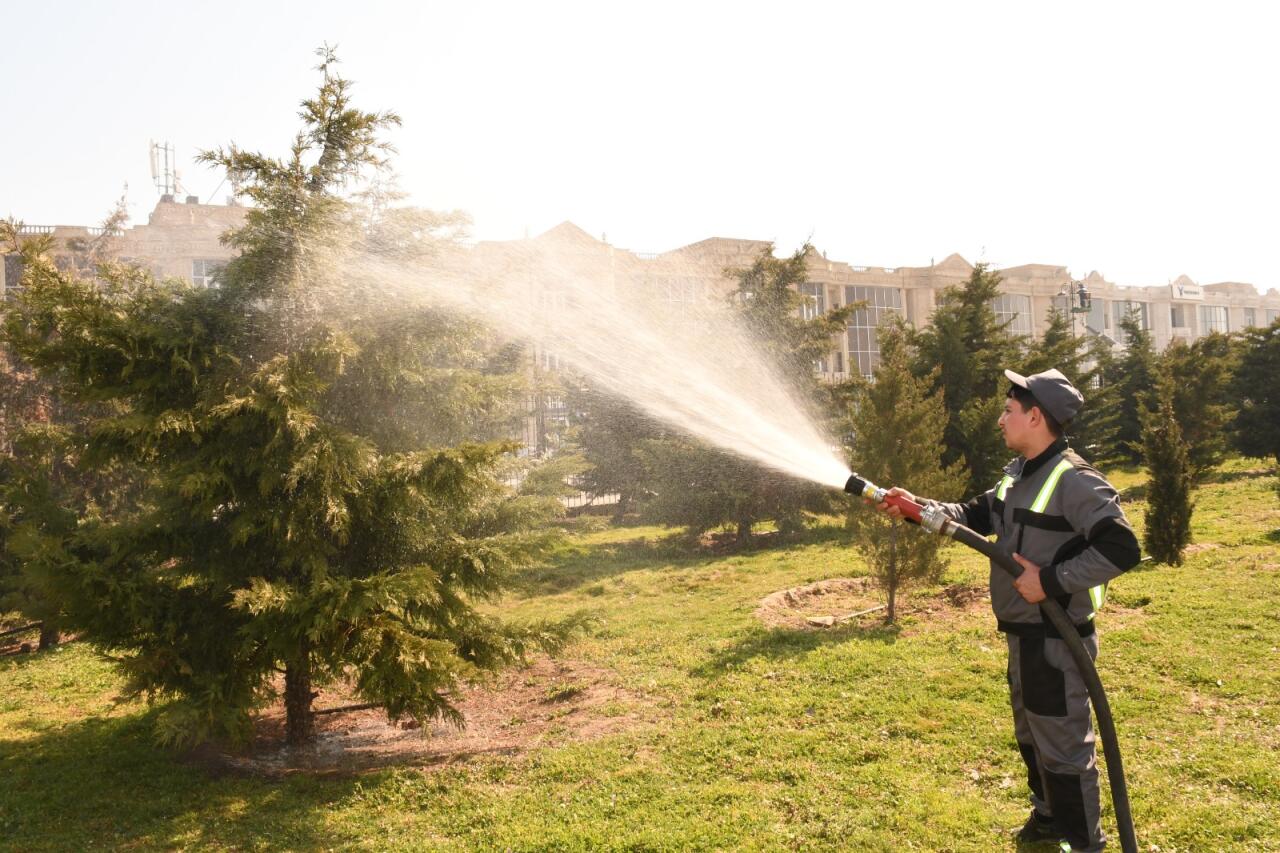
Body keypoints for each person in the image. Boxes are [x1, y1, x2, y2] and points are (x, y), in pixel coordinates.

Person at [873, 368, 1140, 852]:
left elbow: (1122, 549)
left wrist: (1051, 581)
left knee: (1063, 750)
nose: (1000, 420)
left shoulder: (1075, 481)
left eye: (1009, 411)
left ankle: (1086, 845)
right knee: (1031, 735)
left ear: (1035, 416)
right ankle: (1048, 818)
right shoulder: (1018, 475)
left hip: (1058, 642)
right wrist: (918, 508)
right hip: (1024, 635)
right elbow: (973, 516)